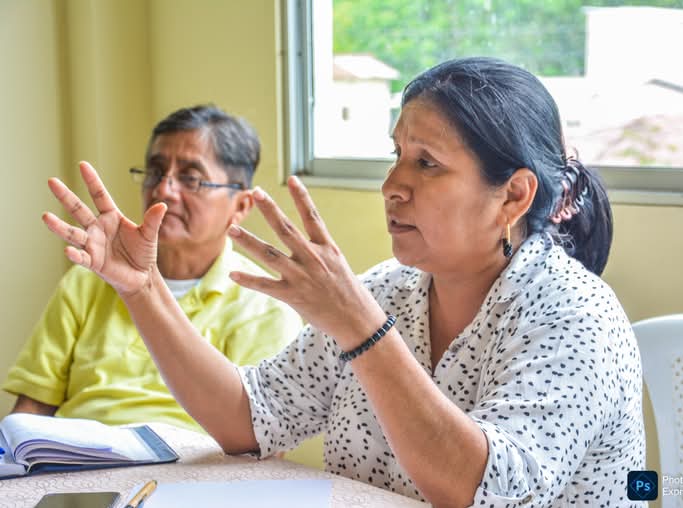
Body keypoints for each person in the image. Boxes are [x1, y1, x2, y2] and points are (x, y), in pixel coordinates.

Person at [40, 58, 645, 507]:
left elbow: (480, 491)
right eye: (397, 155)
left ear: (512, 195)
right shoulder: (389, 291)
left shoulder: (576, 315)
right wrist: (142, 287)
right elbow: (249, 420)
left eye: (427, 163)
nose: (392, 186)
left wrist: (362, 328)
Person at [4, 105, 302, 432]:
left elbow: (264, 441)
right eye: (155, 172)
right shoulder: (88, 280)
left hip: (189, 461)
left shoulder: (265, 307)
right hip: (71, 456)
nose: (162, 190)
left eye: (191, 178)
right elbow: (32, 407)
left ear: (241, 205)